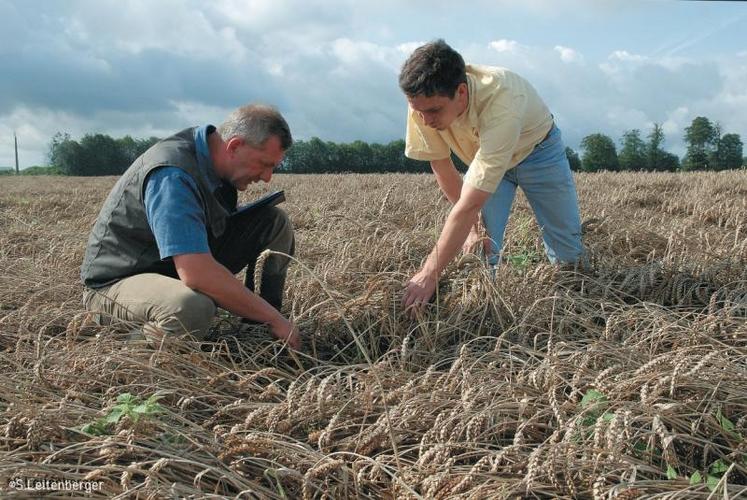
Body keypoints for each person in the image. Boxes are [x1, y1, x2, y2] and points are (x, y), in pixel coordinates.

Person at [80, 104, 300, 349]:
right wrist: (273, 318)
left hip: (170, 267)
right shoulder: (172, 175)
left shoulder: (213, 161)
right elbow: (196, 273)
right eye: (263, 163)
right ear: (235, 146)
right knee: (191, 307)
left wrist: (268, 314)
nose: (267, 177)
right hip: (117, 283)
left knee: (274, 223)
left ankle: (261, 333)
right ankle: (121, 354)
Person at [399, 40, 586, 313]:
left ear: (461, 92)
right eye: (419, 111)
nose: (425, 120)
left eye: (434, 111)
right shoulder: (424, 101)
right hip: (485, 157)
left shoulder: (503, 100)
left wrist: (429, 273)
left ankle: (575, 311)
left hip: (539, 152)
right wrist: (473, 231)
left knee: (569, 255)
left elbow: (470, 203)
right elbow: (442, 167)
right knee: (482, 250)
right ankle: (486, 318)